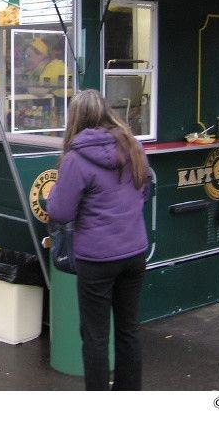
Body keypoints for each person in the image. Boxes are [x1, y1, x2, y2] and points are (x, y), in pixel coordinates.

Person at [46, 89, 150, 391]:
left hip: (97, 259)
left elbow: (60, 212)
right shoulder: (133, 146)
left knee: (94, 336)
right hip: (134, 251)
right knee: (129, 330)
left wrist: (55, 191)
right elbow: (143, 191)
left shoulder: (75, 159)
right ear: (105, 111)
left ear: (75, 118)